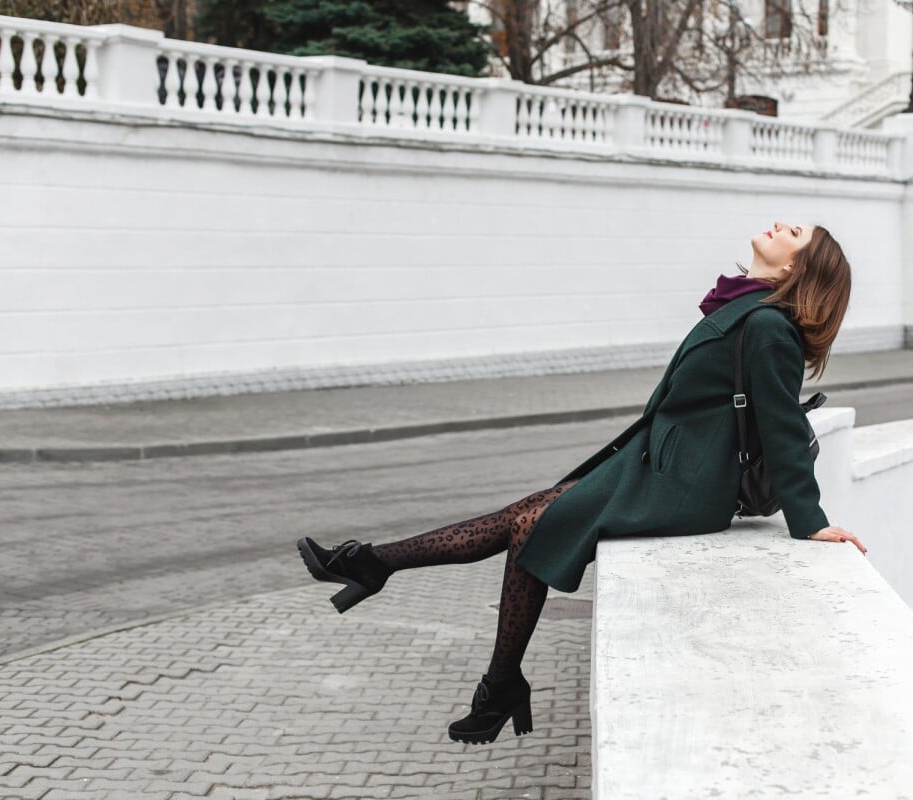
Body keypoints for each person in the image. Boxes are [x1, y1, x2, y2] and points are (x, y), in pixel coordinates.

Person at [295, 221, 867, 745]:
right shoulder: (748, 306)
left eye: (794, 231)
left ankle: (396, 586)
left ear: (796, 269)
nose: (779, 225)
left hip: (680, 485)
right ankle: (411, 598)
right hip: (654, 464)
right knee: (528, 519)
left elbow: (784, 426)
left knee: (529, 523)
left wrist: (810, 521)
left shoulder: (768, 325)